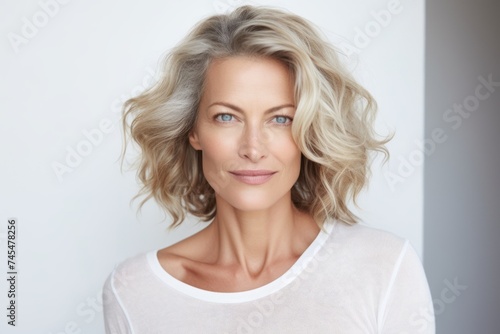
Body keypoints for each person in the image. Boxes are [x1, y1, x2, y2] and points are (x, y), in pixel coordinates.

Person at [103, 5, 435, 333]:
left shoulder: (384, 267)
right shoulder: (136, 290)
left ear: (309, 132)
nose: (252, 148)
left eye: (280, 119)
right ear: (193, 130)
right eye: (226, 117)